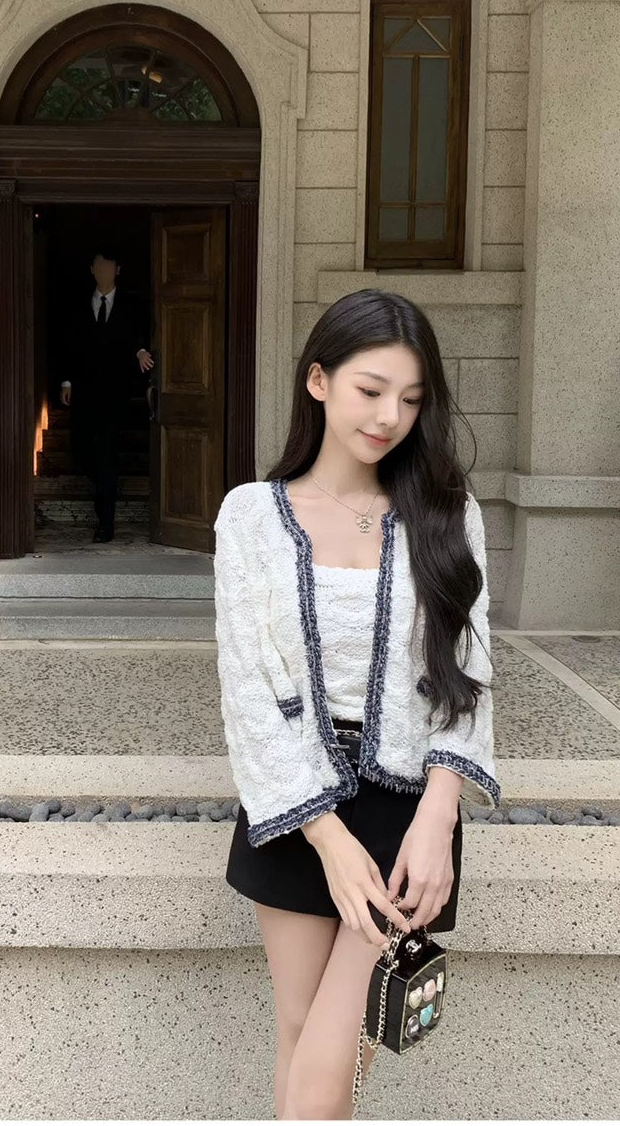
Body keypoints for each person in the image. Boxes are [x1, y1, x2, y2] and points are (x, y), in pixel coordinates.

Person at [213, 288, 498, 1119]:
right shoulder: (251, 515)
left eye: (410, 398)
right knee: (302, 1035)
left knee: (334, 1058)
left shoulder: (446, 514)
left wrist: (438, 817)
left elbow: (469, 669)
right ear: (318, 381)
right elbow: (247, 685)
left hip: (408, 813)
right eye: (370, 390)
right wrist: (328, 838)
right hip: (294, 805)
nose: (388, 417)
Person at [58, 248, 154, 542]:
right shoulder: (78, 305)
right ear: (92, 270)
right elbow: (68, 344)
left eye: (108, 266)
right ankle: (103, 484)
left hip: (114, 395)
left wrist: (140, 352)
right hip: (84, 393)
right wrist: (66, 381)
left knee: (107, 456)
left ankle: (106, 524)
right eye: (98, 266)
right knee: (81, 450)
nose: (103, 271)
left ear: (117, 270)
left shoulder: (131, 305)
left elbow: (139, 335)